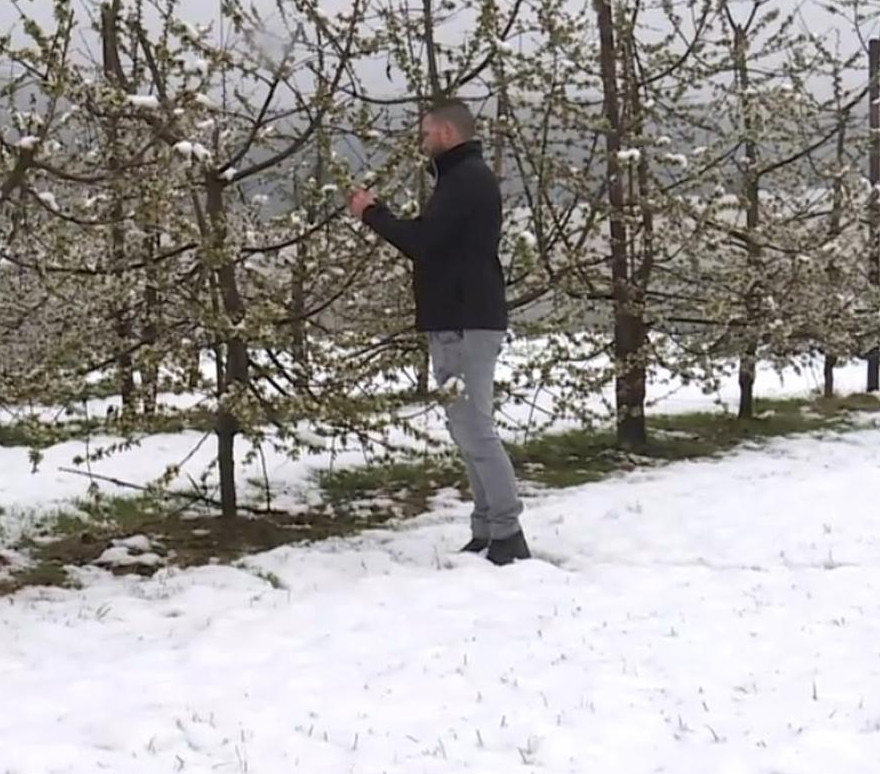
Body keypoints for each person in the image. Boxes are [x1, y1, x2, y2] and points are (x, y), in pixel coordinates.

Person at [348, 98, 530, 566]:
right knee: (465, 428)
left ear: (447, 134)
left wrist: (372, 213)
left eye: (427, 133)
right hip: (456, 320)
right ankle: (488, 530)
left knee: (475, 427)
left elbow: (423, 242)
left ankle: (507, 532)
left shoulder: (466, 181)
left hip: (467, 321)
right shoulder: (460, 180)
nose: (423, 141)